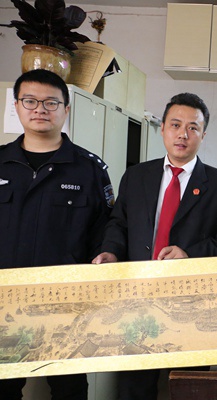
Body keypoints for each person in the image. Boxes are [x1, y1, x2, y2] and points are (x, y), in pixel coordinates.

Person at [92, 92, 217, 399]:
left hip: (192, 305)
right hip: (137, 299)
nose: (182, 134)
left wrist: (190, 254)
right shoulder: (136, 176)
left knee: (189, 386)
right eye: (175, 125)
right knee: (134, 386)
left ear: (203, 134)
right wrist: (111, 251)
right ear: (162, 128)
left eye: (192, 127)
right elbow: (119, 223)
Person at [0, 69, 113, 399]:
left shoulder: (89, 169)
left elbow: (105, 231)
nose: (40, 109)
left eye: (51, 102)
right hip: (4, 304)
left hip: (66, 307)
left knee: (69, 391)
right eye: (30, 101)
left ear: (66, 109)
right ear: (17, 106)